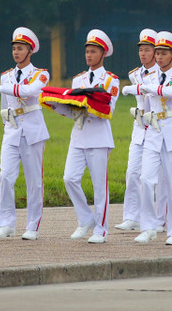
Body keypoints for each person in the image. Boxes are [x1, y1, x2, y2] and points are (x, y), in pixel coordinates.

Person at [45, 29, 119, 243]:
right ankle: (86, 218)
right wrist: (57, 106)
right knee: (69, 178)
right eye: (87, 51)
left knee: (99, 186)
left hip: (98, 137)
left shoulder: (110, 80)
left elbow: (108, 109)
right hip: (78, 135)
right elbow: (73, 109)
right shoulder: (79, 80)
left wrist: (86, 102)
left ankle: (101, 229)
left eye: (93, 51)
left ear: (103, 54)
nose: (89, 55)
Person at [0, 27, 50, 240]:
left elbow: (31, 92)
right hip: (12, 130)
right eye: (14, 48)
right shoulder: (5, 75)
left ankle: (32, 225)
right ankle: (6, 223)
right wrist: (7, 125)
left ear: (30, 51)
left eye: (21, 48)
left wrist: (5, 88)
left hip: (33, 130)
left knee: (34, 181)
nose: (16, 52)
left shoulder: (40, 74)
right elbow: (4, 107)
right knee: (5, 176)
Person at [133, 31, 172, 245]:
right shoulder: (148, 77)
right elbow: (147, 107)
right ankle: (148, 226)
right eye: (157, 53)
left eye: (164, 53)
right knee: (146, 180)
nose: (158, 57)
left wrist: (145, 87)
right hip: (154, 132)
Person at [116, 29, 161, 232]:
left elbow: (149, 90)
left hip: (157, 127)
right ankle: (131, 217)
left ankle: (157, 218)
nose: (143, 54)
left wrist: (131, 89)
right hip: (139, 127)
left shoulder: (162, 74)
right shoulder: (135, 74)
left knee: (153, 178)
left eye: (147, 50)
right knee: (132, 173)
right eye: (141, 50)